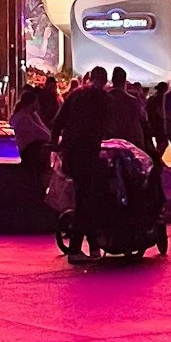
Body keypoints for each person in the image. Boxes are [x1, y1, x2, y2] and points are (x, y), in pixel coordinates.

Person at [53, 66, 110, 261]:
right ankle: (77, 249)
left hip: (72, 152)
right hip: (88, 153)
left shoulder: (76, 95)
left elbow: (58, 121)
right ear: (104, 80)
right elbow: (107, 127)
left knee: (84, 197)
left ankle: (92, 246)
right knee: (86, 200)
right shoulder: (103, 99)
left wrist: (55, 145)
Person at [106, 67, 148, 147]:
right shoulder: (132, 100)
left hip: (109, 141)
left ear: (112, 80)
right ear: (124, 81)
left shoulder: (105, 98)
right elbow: (143, 118)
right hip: (128, 141)